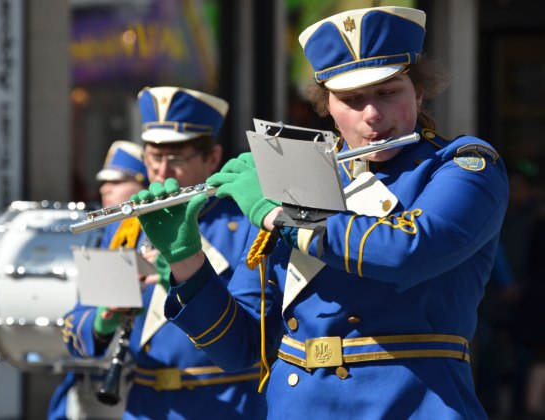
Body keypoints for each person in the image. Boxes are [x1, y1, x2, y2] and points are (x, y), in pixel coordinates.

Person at [131, 6, 509, 419]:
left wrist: (278, 214)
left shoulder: (462, 166)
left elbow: (407, 250)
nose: (372, 114)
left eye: (388, 92)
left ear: (417, 92)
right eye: (351, 99)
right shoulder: (297, 181)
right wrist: (186, 262)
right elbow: (240, 348)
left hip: (413, 404)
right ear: (327, 105)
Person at [56, 87, 265, 419]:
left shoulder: (243, 224)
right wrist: (103, 319)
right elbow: (74, 330)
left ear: (212, 157)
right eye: (153, 157)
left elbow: (256, 331)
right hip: (146, 407)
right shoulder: (126, 226)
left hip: (229, 405)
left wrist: (180, 277)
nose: (162, 172)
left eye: (177, 158)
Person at [49, 140, 149, 420]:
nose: (106, 189)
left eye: (118, 181)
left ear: (144, 184)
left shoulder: (145, 232)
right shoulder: (114, 234)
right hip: (105, 380)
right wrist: (101, 320)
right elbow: (78, 321)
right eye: (104, 183)